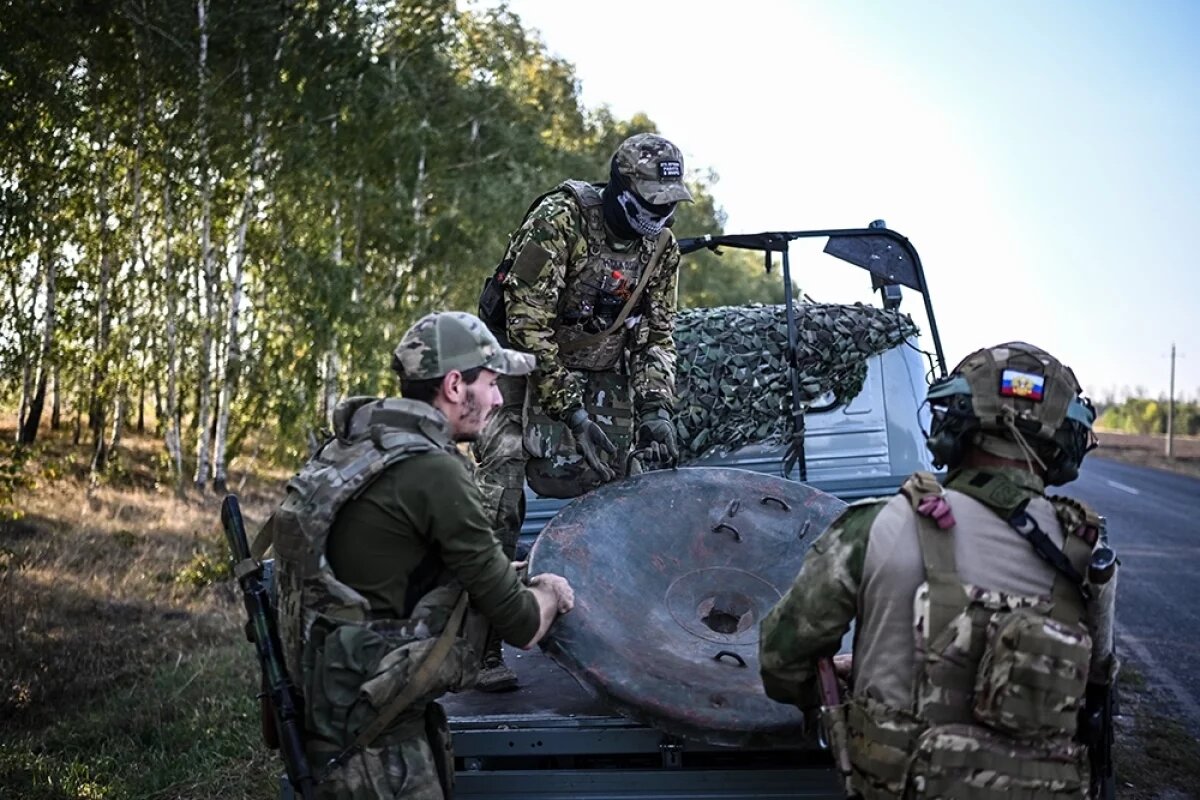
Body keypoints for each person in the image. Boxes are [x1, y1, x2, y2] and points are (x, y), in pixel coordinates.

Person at [759, 341, 1119, 799]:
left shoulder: (879, 526)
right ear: (1066, 445)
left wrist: (845, 694)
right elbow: (1093, 682)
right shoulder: (1087, 553)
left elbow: (782, 660)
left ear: (951, 423)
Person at [264, 311, 575, 800]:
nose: (497, 399)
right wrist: (551, 591)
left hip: (332, 717)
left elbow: (387, 571)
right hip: (376, 748)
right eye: (491, 383)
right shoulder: (435, 472)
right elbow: (521, 625)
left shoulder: (357, 446)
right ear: (454, 385)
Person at [472, 132, 693, 691]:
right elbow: (527, 326)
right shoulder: (560, 218)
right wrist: (569, 414)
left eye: (670, 203)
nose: (660, 213)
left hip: (599, 367)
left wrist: (655, 409)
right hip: (518, 365)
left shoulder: (662, 248)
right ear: (621, 190)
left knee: (629, 492)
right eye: (651, 201)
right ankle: (481, 649)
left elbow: (657, 335)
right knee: (498, 499)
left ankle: (622, 640)